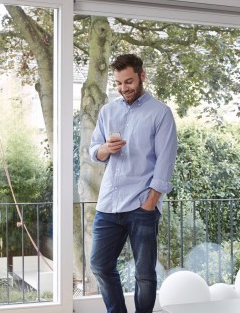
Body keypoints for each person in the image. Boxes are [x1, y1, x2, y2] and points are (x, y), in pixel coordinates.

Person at [89, 53, 178, 313]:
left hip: (141, 205)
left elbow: (165, 161)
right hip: (109, 204)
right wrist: (105, 148)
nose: (123, 88)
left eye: (128, 82)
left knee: (144, 275)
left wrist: (150, 202)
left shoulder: (160, 113)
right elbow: (94, 150)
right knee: (100, 265)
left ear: (141, 76)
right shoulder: (108, 111)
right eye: (118, 83)